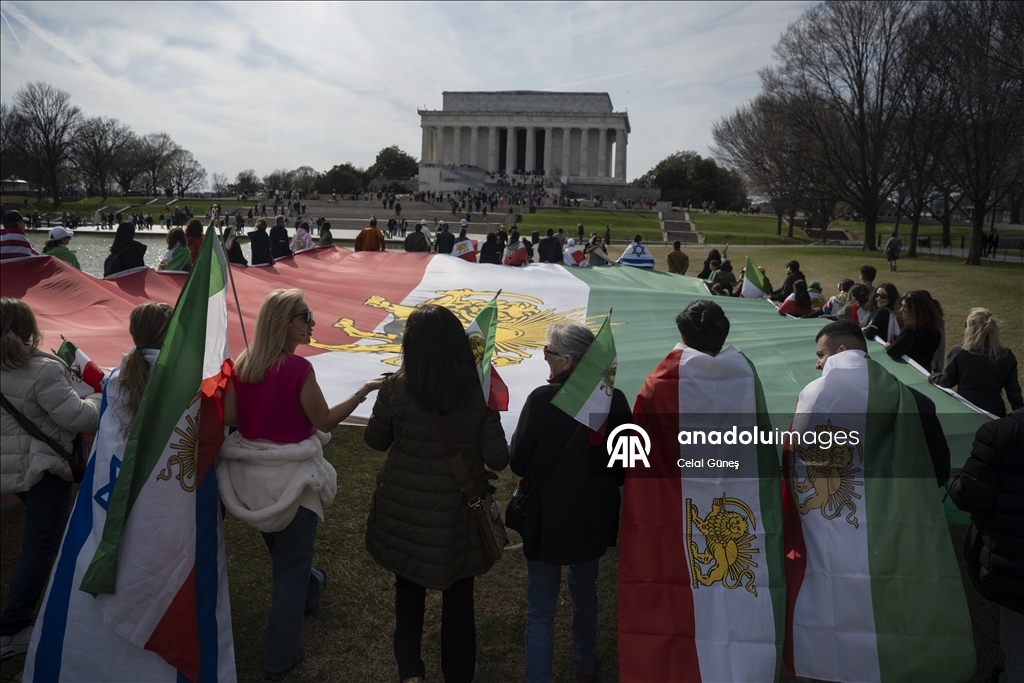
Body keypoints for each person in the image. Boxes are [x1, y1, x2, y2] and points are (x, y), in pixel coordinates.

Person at [783, 321, 970, 683]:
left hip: (832, 523)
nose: (817, 365)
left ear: (840, 352)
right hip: (895, 524)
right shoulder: (916, 400)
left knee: (836, 596)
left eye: (820, 355)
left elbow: (794, 464)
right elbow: (938, 467)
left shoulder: (814, 398)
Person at [221, 289, 382, 681]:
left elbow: (230, 417)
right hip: (292, 479)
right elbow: (325, 420)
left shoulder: (242, 366)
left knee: (287, 557)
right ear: (284, 323)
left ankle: (314, 586)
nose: (311, 324)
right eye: (305, 317)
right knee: (289, 573)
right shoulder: (298, 371)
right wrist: (364, 391)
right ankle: (281, 658)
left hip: (252, 482)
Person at [619, 300, 783, 682]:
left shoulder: (662, 381)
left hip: (682, 498)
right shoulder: (745, 373)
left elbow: (645, 447)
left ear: (683, 335)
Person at [363, 305, 508, 683]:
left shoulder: (396, 385)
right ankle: (458, 673)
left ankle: (411, 673)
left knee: (408, 590)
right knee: (459, 596)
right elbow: (498, 457)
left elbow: (374, 440)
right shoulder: (478, 390)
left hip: (404, 512)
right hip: (458, 516)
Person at [510, 321, 631, 683]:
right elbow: (627, 465)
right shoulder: (617, 399)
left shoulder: (541, 400)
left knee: (542, 608)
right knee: (585, 592)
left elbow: (516, 461)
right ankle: (584, 666)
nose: (544, 357)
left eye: (548, 351)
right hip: (592, 519)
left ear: (567, 362)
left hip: (547, 522)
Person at [1, 298, 101, 658]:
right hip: (43, 470)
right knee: (40, 549)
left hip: (11, 470)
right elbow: (78, 419)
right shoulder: (42, 370)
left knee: (37, 545)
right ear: (28, 329)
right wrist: (98, 399)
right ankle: (12, 628)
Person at [945, 409, 1024, 683]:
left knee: (1018, 643)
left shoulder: (1001, 433)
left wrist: (952, 475)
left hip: (1015, 563)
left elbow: (971, 496)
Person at [930, 308, 1023, 417]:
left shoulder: (959, 354)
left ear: (971, 329)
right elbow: (1014, 394)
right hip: (994, 411)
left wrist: (933, 377)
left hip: (966, 408)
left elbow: (947, 382)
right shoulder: (1006, 356)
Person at [886, 290, 943, 369]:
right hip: (926, 371)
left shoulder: (910, 330)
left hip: (910, 372)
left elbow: (893, 352)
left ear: (915, 309)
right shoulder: (935, 330)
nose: (901, 310)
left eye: (905, 306)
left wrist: (888, 346)